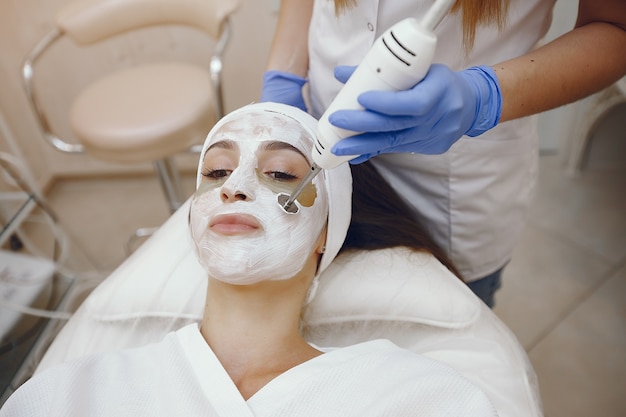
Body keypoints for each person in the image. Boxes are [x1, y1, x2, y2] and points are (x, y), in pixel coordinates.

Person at [0, 103, 499, 416]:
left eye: (281, 174)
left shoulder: (418, 398)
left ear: (328, 231)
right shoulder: (70, 395)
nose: (234, 187)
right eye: (216, 170)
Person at [260, 0, 626, 307]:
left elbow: (615, 30)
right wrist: (284, 75)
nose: (233, 189)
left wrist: (483, 96)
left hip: (450, 192)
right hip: (325, 130)